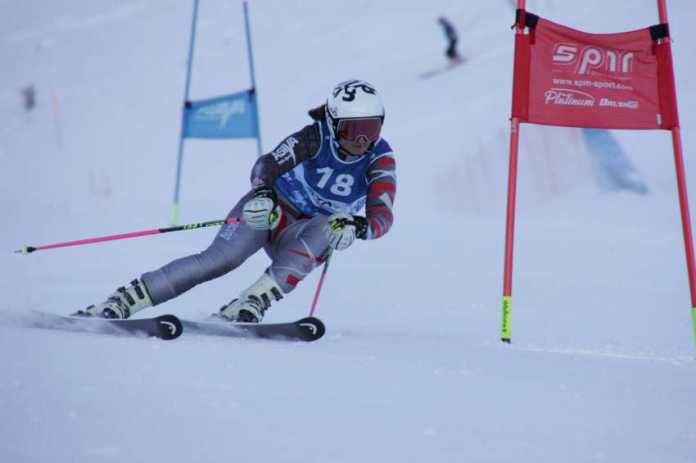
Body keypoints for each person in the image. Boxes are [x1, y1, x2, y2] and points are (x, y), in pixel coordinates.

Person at [79, 79, 397, 323]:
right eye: (351, 130)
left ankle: (251, 302)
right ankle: (123, 301)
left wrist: (357, 227)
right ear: (332, 123)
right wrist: (263, 194)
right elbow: (267, 165)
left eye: (371, 129)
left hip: (306, 233)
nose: (361, 141)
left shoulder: (379, 159)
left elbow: (382, 217)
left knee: (331, 225)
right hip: (270, 212)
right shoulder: (314, 137)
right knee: (219, 260)